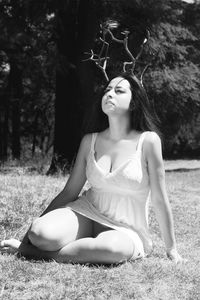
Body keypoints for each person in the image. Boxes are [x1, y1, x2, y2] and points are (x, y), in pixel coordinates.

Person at [1, 72, 184, 264]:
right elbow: (70, 192)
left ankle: (37, 254)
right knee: (41, 233)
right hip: (86, 213)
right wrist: (29, 235)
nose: (110, 94)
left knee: (110, 249)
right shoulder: (90, 140)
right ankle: (51, 247)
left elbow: (159, 199)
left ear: (134, 103)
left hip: (126, 229)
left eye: (119, 91)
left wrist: (171, 249)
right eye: (107, 90)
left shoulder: (148, 141)